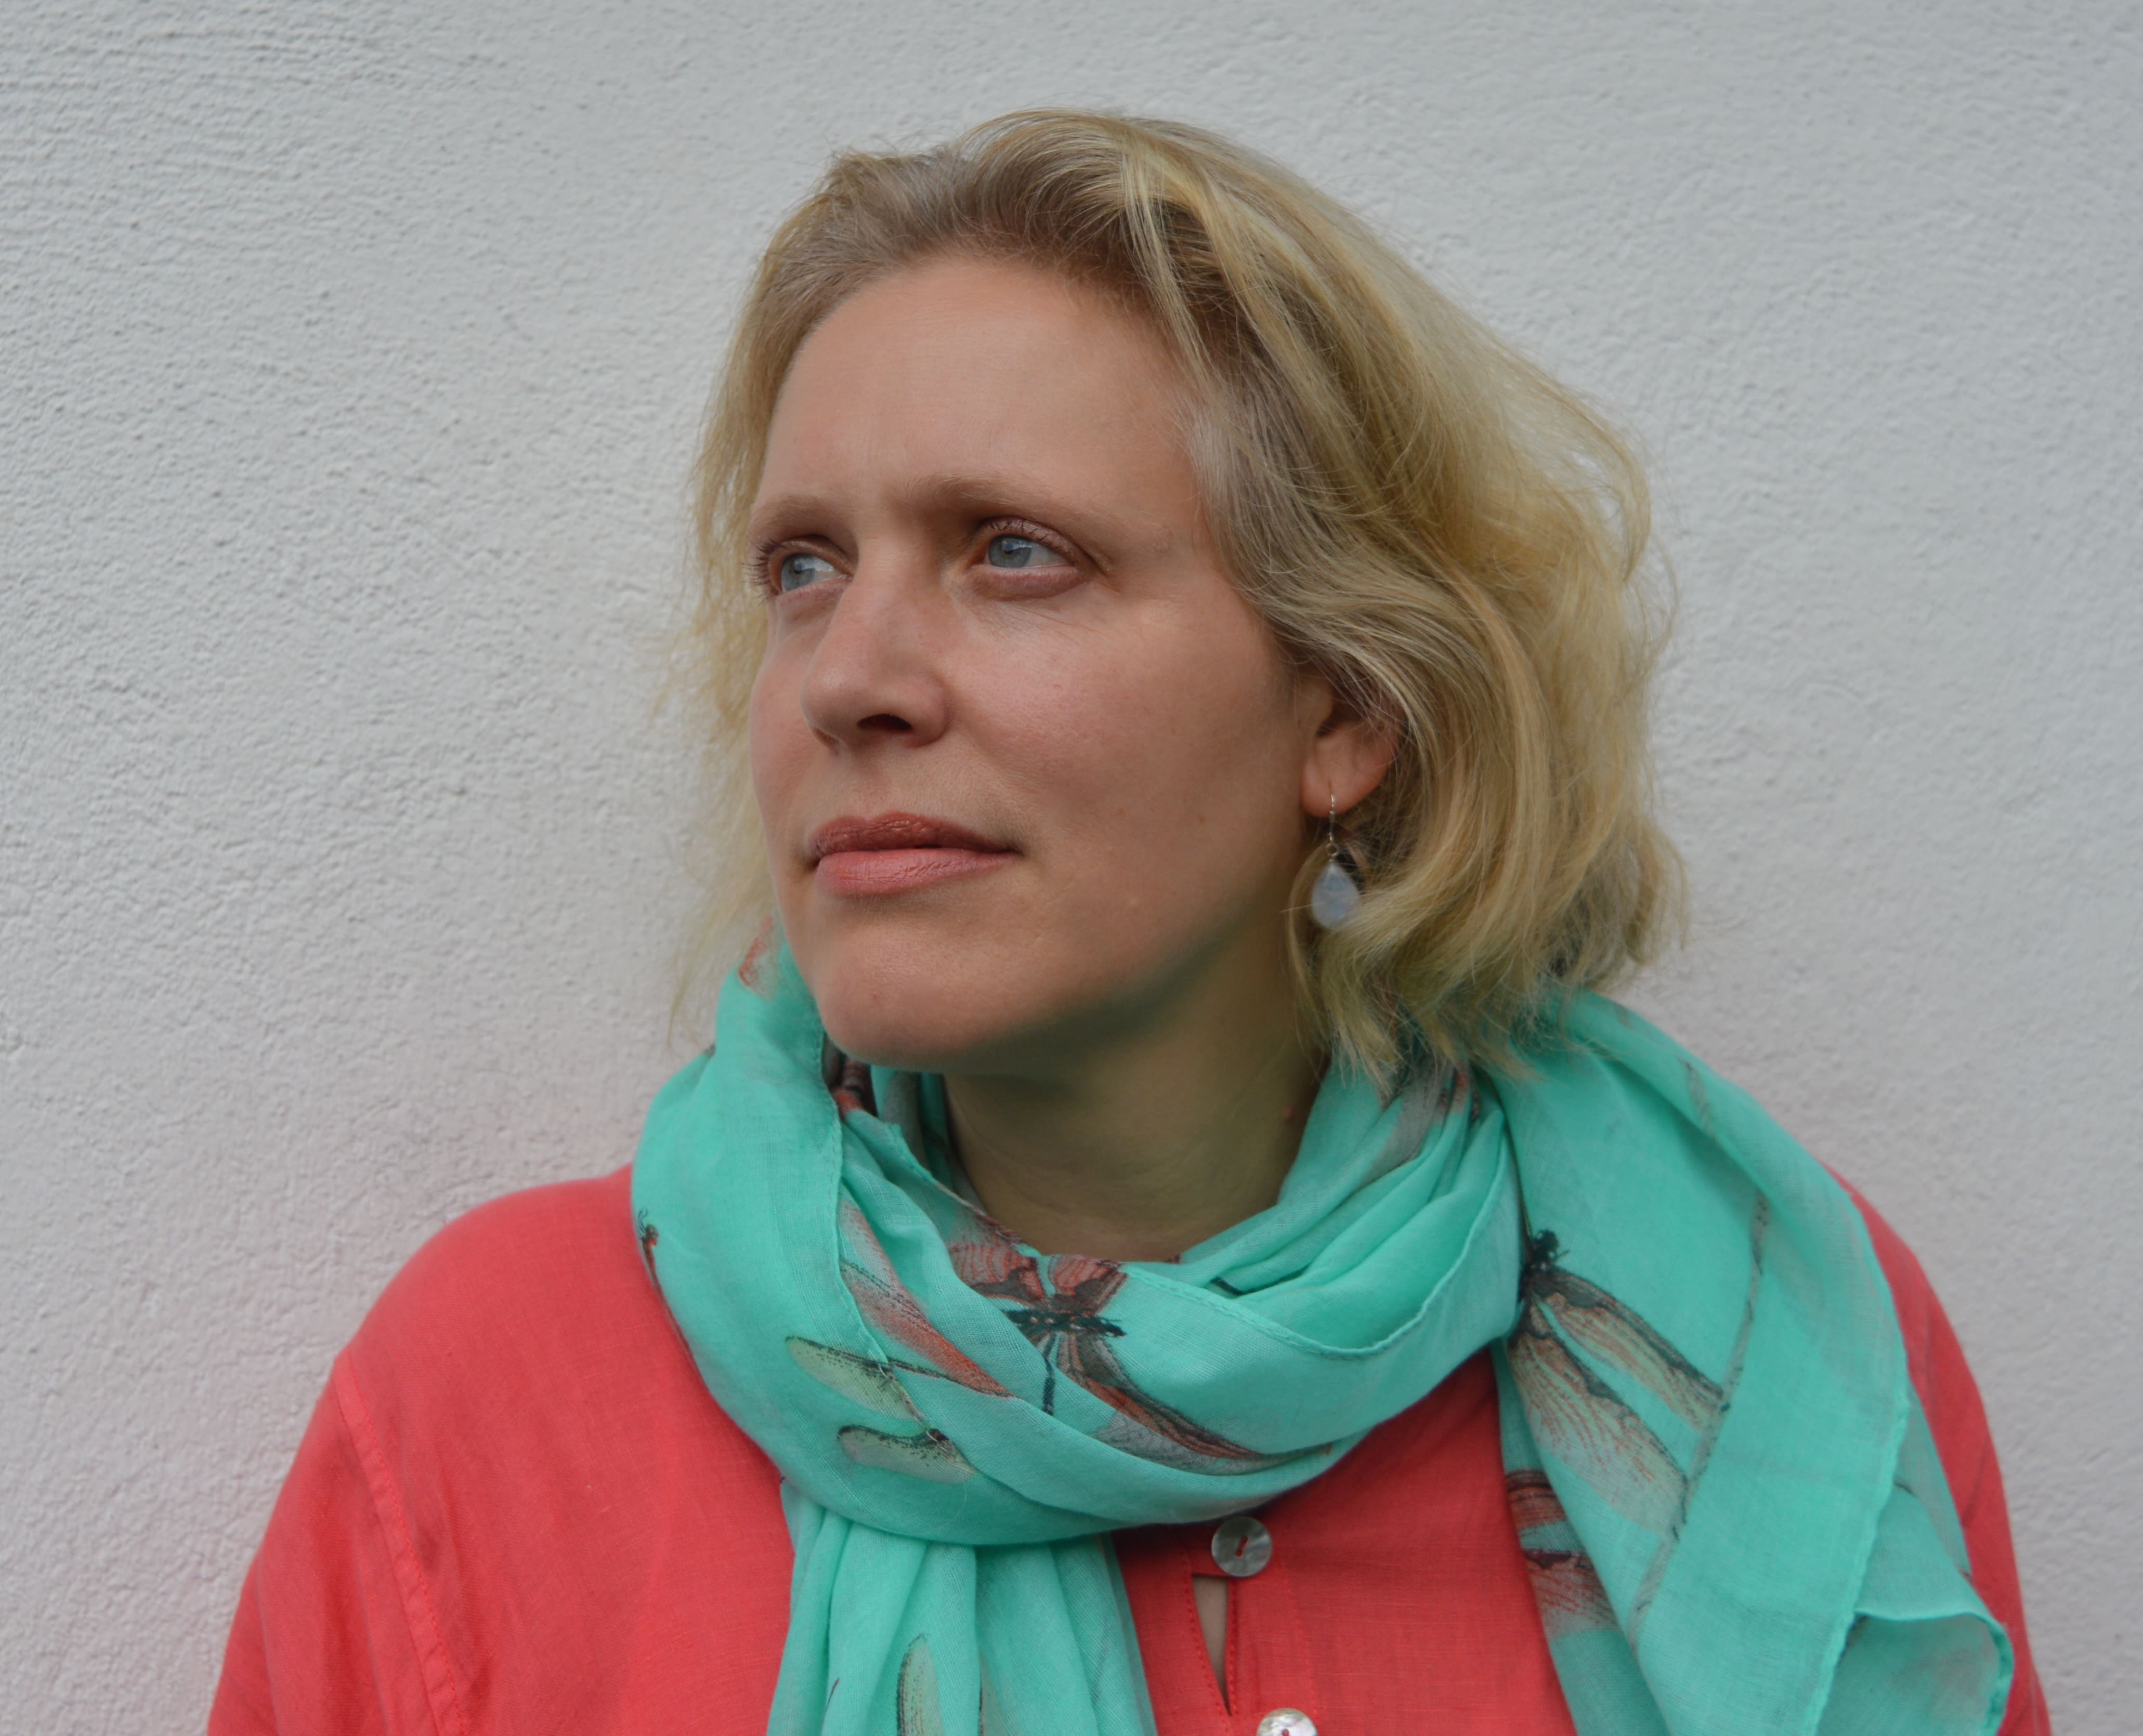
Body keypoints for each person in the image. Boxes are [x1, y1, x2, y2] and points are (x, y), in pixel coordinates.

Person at [209, 111, 2046, 1736]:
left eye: (1015, 550)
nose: (848, 677)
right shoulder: (495, 1400)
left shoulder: (1762, 1333)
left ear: (1346, 704)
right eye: (803, 568)